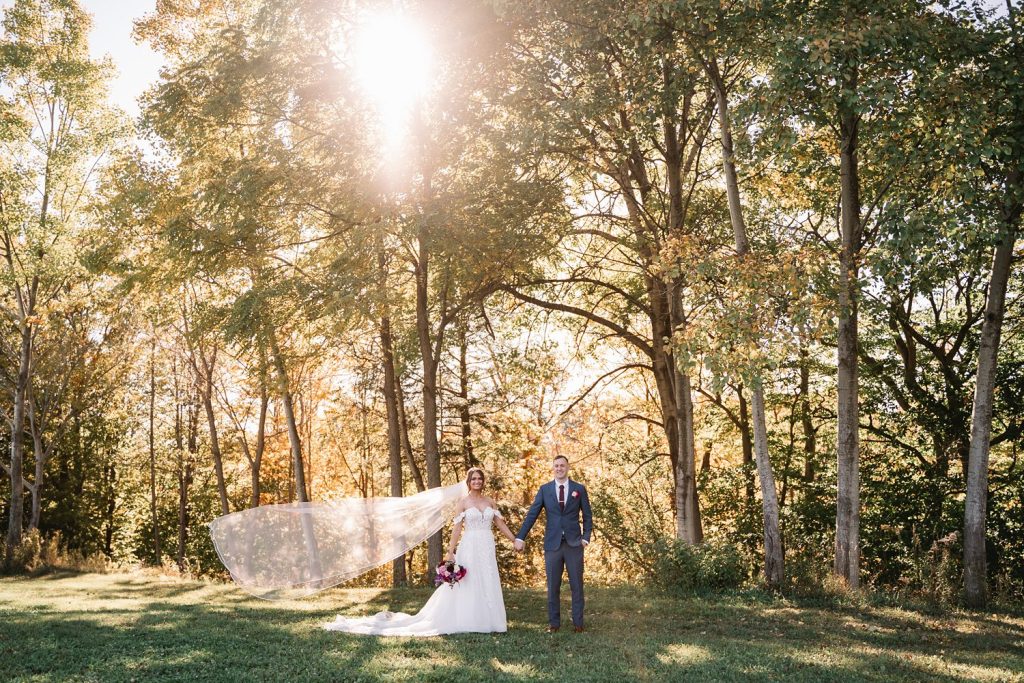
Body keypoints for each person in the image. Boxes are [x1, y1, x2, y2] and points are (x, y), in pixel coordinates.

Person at [323, 467, 516, 635]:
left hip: (486, 545)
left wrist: (514, 540)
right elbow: (457, 528)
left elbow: (500, 524)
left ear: (483, 481)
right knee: (469, 581)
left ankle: (490, 621)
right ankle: (470, 620)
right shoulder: (463, 503)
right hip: (470, 545)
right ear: (469, 482)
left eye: (479, 478)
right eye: (473, 479)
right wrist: (450, 552)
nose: (477, 481)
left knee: (488, 577)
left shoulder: (490, 502)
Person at [514, 454, 593, 633]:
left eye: (562, 465)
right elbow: (532, 514)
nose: (559, 468)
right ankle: (554, 624)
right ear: (553, 468)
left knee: (576, 585)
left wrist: (586, 537)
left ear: (568, 467)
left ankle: (578, 624)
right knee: (552, 586)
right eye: (556, 466)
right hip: (552, 544)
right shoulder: (545, 490)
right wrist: (520, 537)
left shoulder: (579, 489)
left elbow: (587, 516)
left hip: (574, 544)